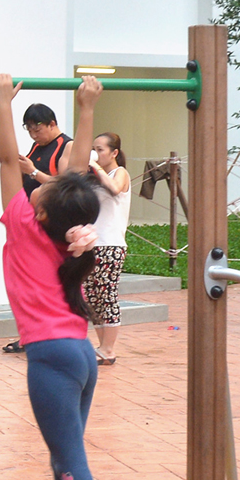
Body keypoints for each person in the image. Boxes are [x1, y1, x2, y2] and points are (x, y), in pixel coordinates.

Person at [0, 72, 126, 480]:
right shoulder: (65, 237)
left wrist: (3, 103)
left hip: (51, 356)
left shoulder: (26, 223)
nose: (40, 181)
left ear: (43, 209)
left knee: (71, 459)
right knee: (61, 457)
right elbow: (75, 181)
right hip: (78, 355)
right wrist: (85, 107)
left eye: (43, 186)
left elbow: (7, 162)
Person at [2, 103, 73, 354]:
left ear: (52, 124)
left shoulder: (67, 146)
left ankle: (49, 333)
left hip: (52, 225)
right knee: (25, 283)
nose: (33, 134)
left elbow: (66, 184)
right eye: (29, 130)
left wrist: (32, 171)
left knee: (50, 281)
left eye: (37, 129)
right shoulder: (36, 147)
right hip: (29, 220)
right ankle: (27, 334)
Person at [84, 132, 131, 365]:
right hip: (92, 244)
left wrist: (96, 167)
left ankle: (109, 348)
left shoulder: (119, 173)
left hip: (111, 244)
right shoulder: (94, 177)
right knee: (92, 295)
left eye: (100, 149)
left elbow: (115, 188)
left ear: (114, 153)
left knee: (107, 293)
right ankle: (103, 348)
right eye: (94, 149)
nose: (96, 153)